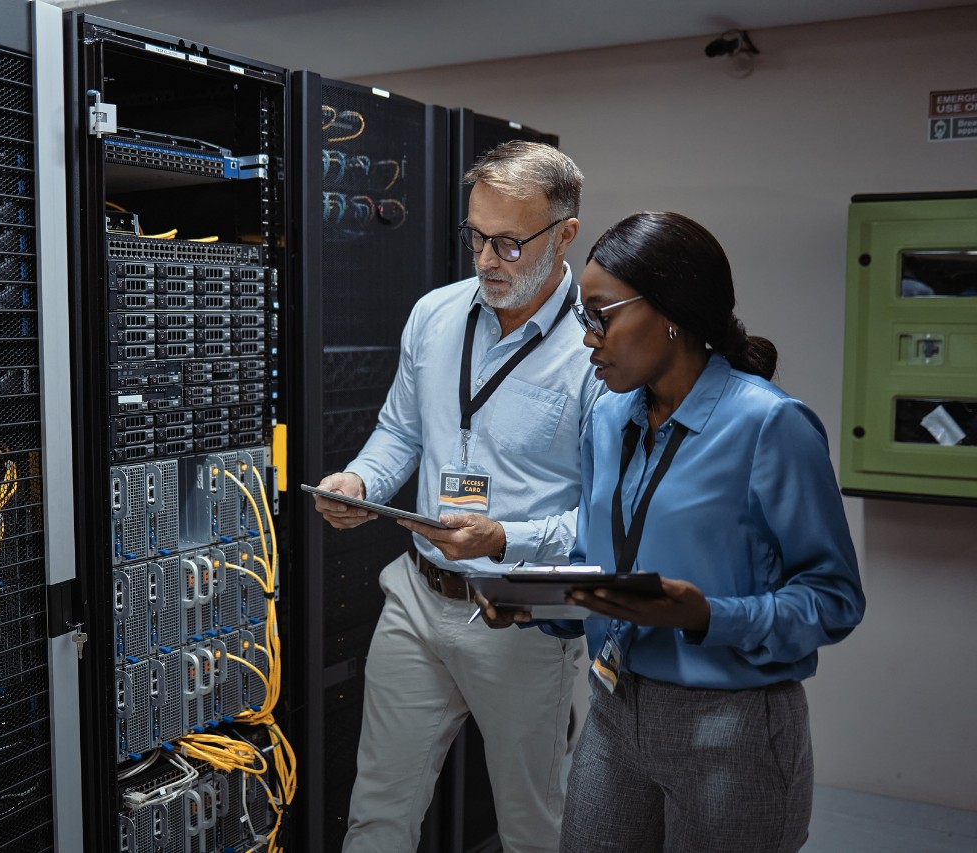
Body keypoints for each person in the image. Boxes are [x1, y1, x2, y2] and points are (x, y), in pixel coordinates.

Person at [478, 211, 866, 852]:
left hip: (732, 725)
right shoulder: (608, 419)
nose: (587, 339)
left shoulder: (771, 425)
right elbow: (598, 567)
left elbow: (835, 599)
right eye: (583, 318)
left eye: (601, 316)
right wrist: (536, 602)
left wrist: (706, 615)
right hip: (613, 707)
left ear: (671, 314)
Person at [311, 140, 605, 853]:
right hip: (419, 594)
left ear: (565, 233)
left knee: (534, 826)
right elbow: (398, 432)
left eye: (509, 243)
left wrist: (504, 538)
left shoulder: (597, 350)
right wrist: (361, 482)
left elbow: (605, 518)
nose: (486, 260)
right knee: (376, 812)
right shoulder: (434, 314)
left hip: (524, 608)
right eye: (475, 237)